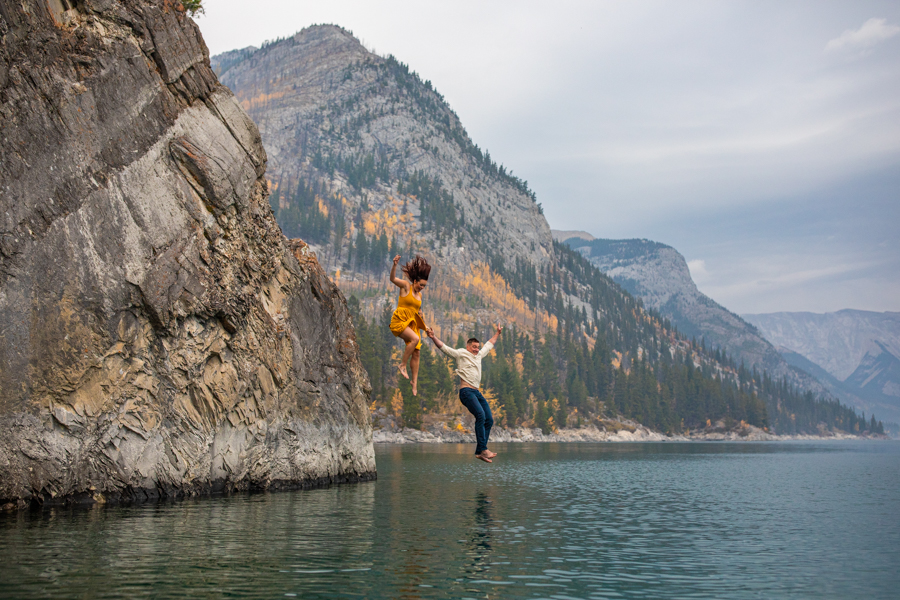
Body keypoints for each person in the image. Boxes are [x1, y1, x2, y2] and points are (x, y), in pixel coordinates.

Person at [425, 324, 502, 463]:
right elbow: (444, 348)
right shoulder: (461, 353)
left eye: (477, 347)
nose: (476, 349)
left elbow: (489, 345)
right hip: (466, 392)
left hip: (477, 393)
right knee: (480, 415)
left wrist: (497, 333)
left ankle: (480, 452)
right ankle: (483, 449)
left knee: (489, 419)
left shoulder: (479, 355)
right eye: (474, 347)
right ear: (468, 347)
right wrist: (433, 337)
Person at [389, 254, 431, 396]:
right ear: (414, 281)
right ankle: (402, 364)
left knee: (417, 352)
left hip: (412, 323)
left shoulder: (420, 296)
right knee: (415, 340)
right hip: (400, 320)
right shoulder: (406, 287)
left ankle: (414, 382)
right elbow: (393, 279)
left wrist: (425, 325)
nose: (422, 288)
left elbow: (418, 312)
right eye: (421, 285)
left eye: (424, 286)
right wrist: (395, 265)